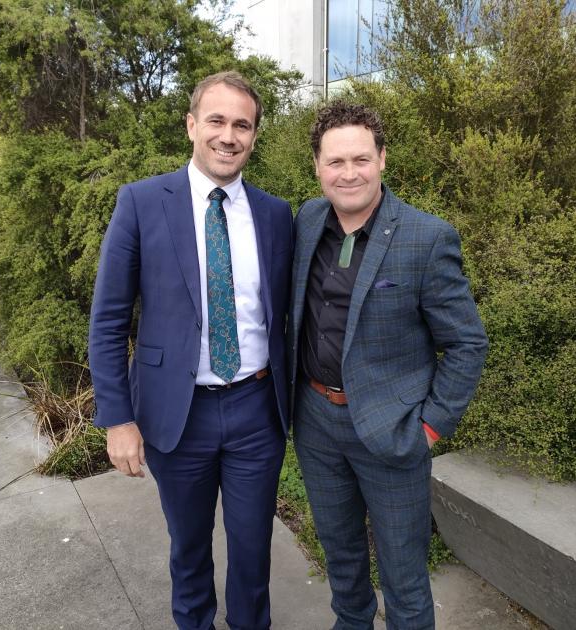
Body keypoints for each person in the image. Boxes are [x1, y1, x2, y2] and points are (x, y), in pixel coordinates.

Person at [89, 71, 293, 630]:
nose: (229, 136)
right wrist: (117, 419)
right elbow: (108, 320)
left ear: (254, 135)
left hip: (257, 412)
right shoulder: (140, 202)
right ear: (191, 126)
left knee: (254, 552)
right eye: (217, 121)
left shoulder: (276, 215)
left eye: (242, 125)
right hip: (177, 414)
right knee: (188, 549)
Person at [287, 101, 488, 629]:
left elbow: (467, 344)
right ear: (317, 166)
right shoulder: (307, 221)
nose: (348, 173)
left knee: (403, 574)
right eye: (335, 161)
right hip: (315, 423)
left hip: (393, 432)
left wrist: (430, 426)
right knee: (341, 555)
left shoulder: (426, 238)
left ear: (382, 159)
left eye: (360, 159)